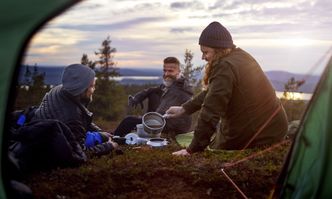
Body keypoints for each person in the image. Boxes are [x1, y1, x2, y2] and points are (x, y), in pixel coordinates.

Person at [166, 21, 288, 156]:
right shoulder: (240, 56)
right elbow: (213, 92)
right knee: (216, 135)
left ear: (218, 50)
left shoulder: (225, 66)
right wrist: (184, 109)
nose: (203, 57)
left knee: (217, 143)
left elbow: (211, 110)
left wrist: (192, 149)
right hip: (274, 127)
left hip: (258, 134)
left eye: (206, 52)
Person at [32, 64, 118, 158]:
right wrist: (109, 146)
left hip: (35, 130)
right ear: (82, 88)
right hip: (44, 148)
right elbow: (80, 152)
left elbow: (83, 118)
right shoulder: (72, 115)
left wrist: (100, 132)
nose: (94, 89)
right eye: (92, 86)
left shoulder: (61, 89)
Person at [113, 57, 193, 138]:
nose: (166, 74)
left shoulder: (179, 89)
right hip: (167, 120)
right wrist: (138, 97)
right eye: (165, 70)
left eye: (170, 71)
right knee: (153, 94)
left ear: (179, 72)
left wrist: (144, 121)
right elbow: (154, 89)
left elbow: (160, 114)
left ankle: (113, 140)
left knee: (128, 121)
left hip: (173, 129)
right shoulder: (173, 83)